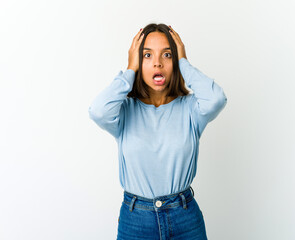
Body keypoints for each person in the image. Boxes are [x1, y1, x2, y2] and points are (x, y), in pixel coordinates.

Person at [88, 23, 227, 240]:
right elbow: (98, 111)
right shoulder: (124, 111)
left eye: (168, 55)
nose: (157, 63)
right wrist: (130, 70)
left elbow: (217, 99)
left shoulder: (191, 109)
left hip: (185, 219)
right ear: (137, 60)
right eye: (147, 55)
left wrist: (185, 64)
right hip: (136, 220)